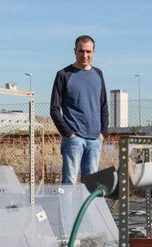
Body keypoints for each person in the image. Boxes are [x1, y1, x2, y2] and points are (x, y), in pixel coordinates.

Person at [50, 35, 109, 184]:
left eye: (88, 51)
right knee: (69, 183)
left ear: (94, 52)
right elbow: (54, 109)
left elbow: (103, 105)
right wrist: (69, 135)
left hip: (95, 140)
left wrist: (103, 133)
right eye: (81, 51)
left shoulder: (98, 74)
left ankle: (86, 209)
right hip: (74, 140)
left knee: (91, 186)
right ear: (75, 51)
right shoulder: (64, 75)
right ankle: (68, 209)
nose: (85, 55)